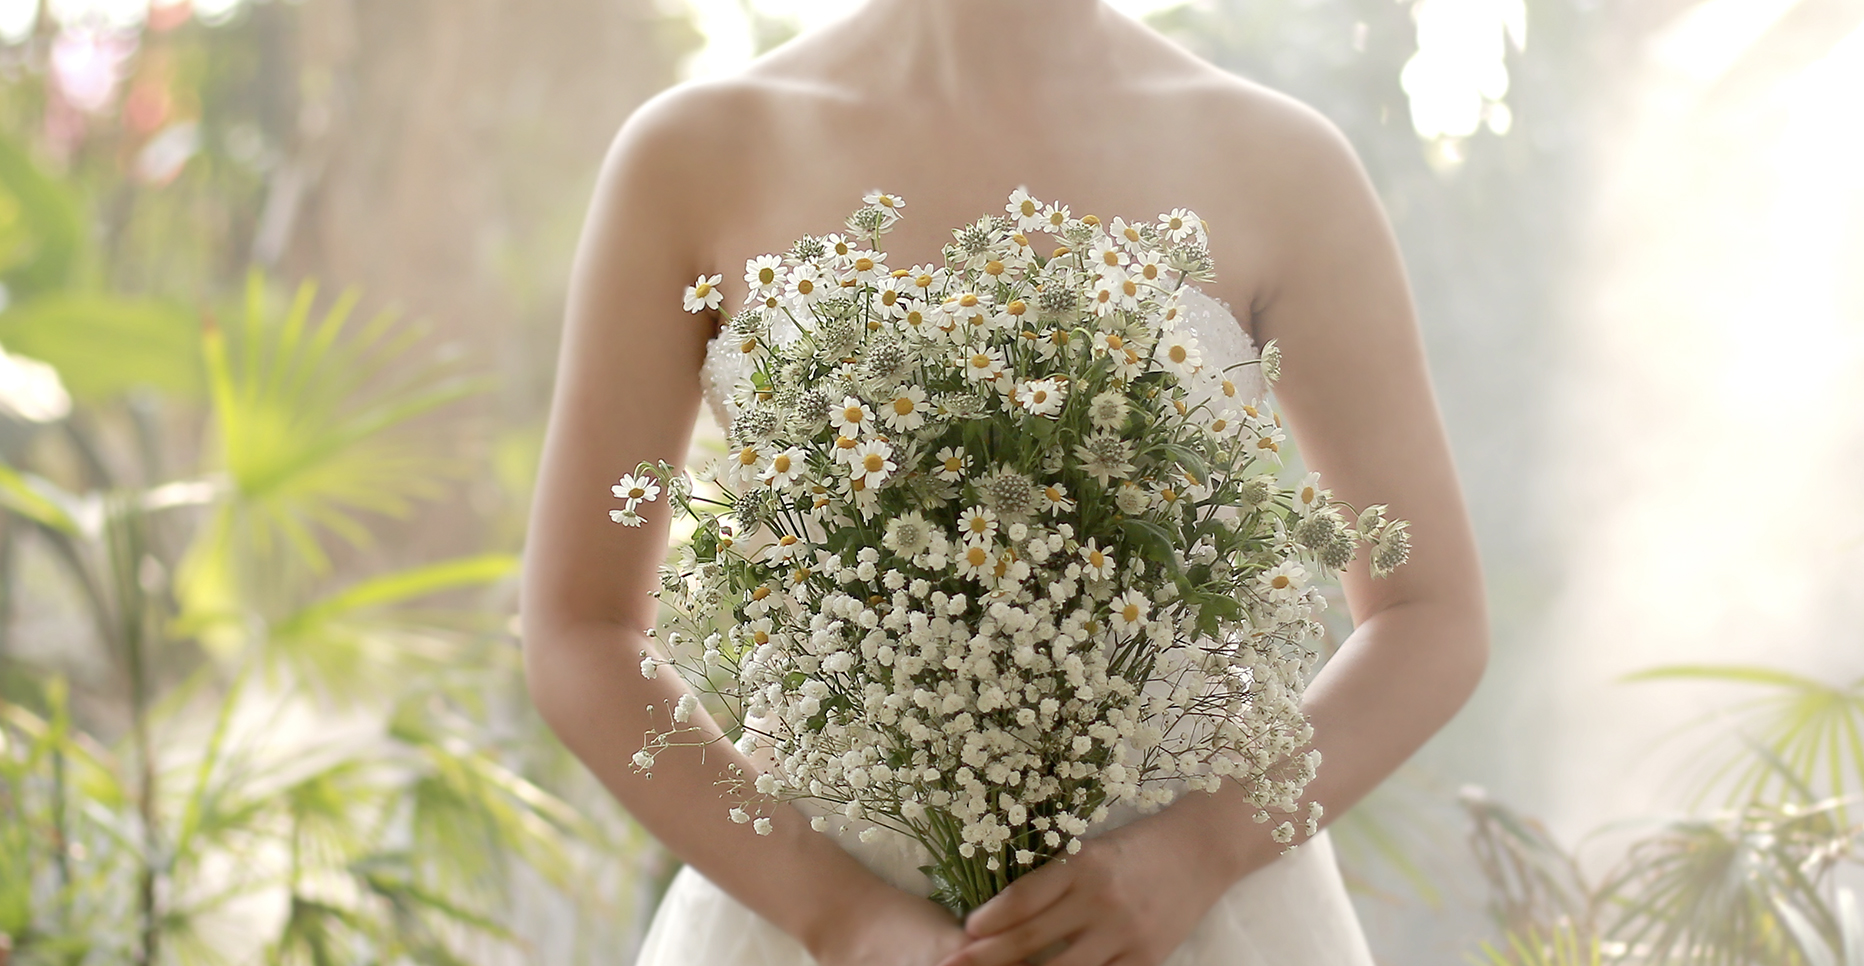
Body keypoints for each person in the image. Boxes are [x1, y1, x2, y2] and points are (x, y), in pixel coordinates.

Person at [519, 1, 1490, 964]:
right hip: (814, 914)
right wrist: (839, 918)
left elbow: (1430, 612)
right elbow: (579, 625)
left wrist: (1196, 853)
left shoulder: (1281, 160)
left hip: (1196, 923)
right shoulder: (693, 152)